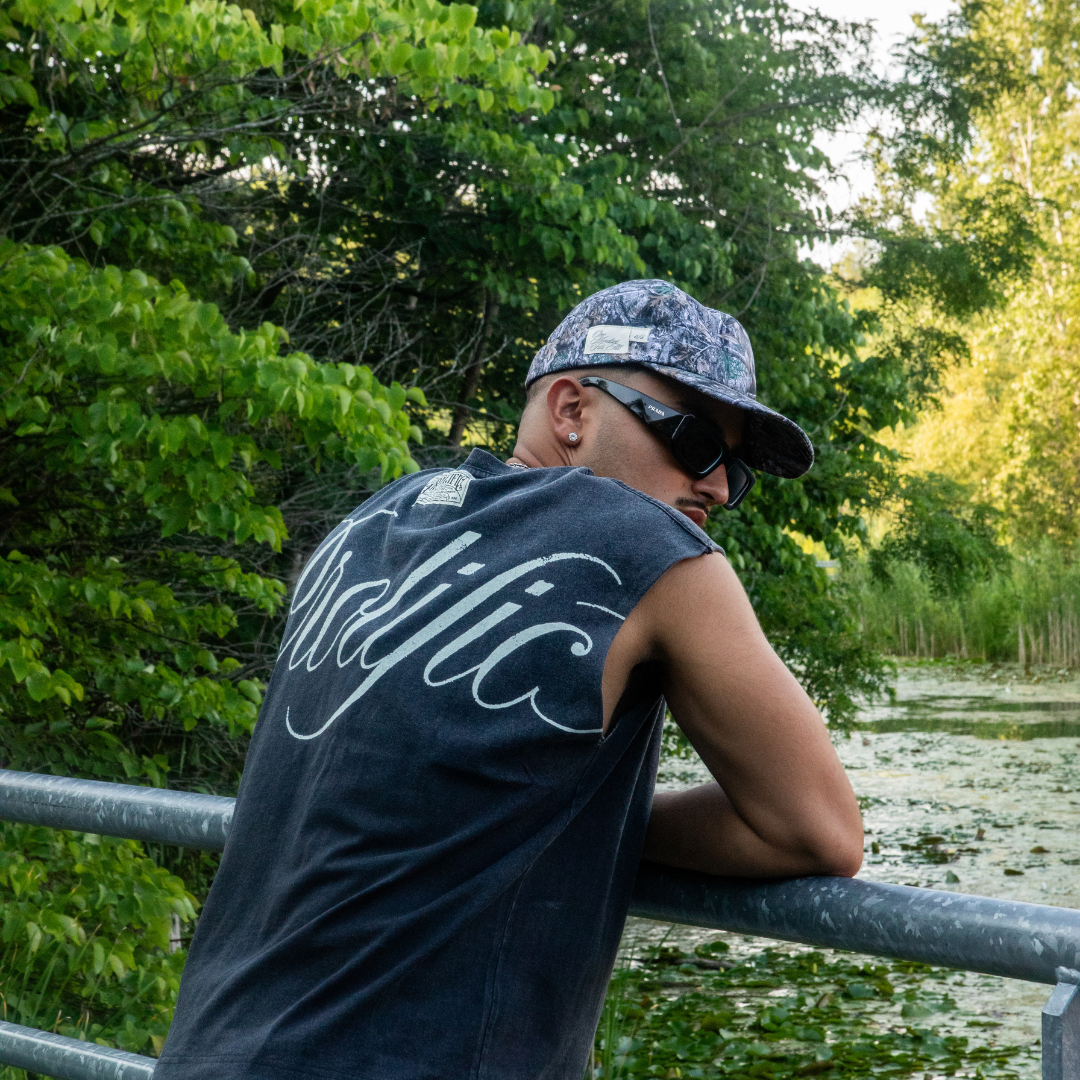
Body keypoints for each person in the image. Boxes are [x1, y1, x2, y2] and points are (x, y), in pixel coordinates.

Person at [155, 279, 862, 1080]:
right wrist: (593, 823)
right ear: (571, 409)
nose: (715, 488)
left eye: (736, 471)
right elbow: (817, 829)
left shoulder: (372, 522)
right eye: (696, 442)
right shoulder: (647, 547)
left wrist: (544, 811)